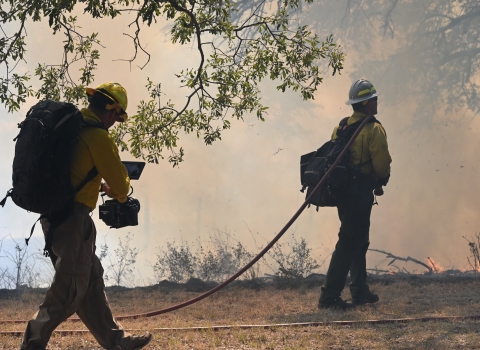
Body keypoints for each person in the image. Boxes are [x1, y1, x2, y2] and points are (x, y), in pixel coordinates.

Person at [20, 83, 152, 350]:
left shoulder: (72, 130)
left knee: (90, 280)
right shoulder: (98, 137)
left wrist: (99, 187)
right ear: (112, 111)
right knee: (69, 288)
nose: (116, 122)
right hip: (74, 221)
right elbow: (122, 186)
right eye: (118, 116)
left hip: (54, 217)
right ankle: (32, 343)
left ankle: (116, 342)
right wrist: (120, 189)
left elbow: (73, 175)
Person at [318, 79, 392, 309]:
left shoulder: (341, 127)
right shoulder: (373, 128)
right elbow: (382, 161)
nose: (378, 102)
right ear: (368, 103)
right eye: (375, 99)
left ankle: (360, 291)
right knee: (349, 241)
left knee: (358, 239)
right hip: (360, 192)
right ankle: (329, 297)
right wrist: (381, 180)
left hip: (342, 193)